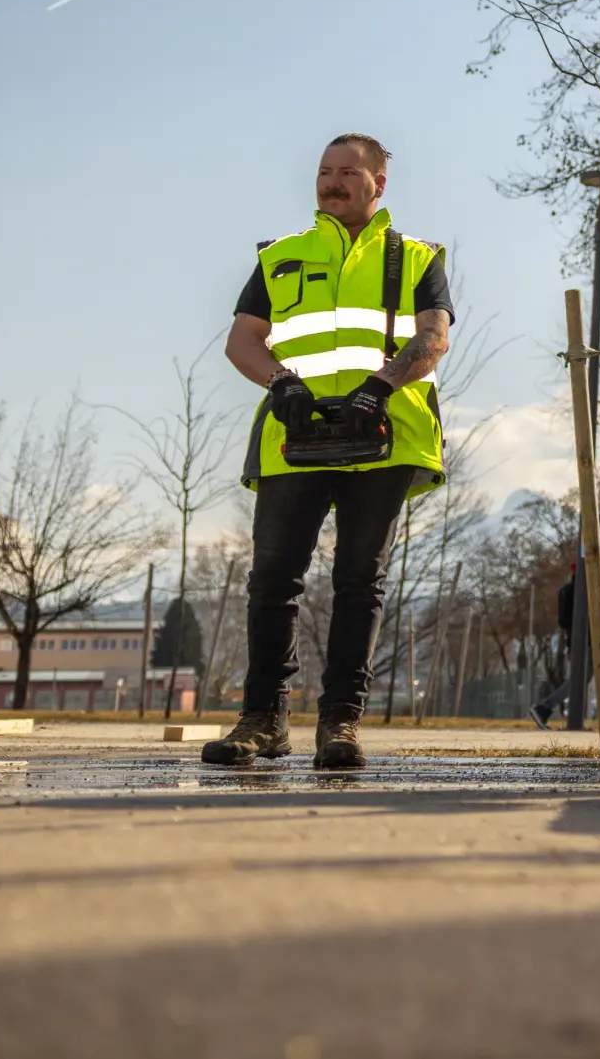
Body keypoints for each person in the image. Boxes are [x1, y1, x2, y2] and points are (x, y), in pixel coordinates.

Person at [205, 134, 453, 771]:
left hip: (385, 433)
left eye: (348, 172)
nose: (332, 182)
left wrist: (381, 385)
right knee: (272, 579)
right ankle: (262, 720)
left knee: (358, 581)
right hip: (295, 436)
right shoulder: (280, 257)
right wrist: (280, 381)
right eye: (324, 171)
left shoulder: (415, 257)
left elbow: (433, 338)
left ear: (378, 184)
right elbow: (242, 341)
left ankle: (339, 724)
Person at [533, 545, 600, 727]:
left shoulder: (590, 578)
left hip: (586, 637)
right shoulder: (596, 580)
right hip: (592, 638)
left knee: (597, 677)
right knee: (582, 679)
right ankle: (544, 708)